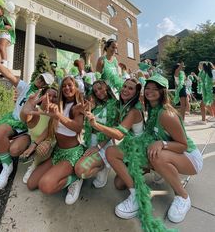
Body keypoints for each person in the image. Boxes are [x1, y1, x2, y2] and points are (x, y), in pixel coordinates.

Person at [131, 74, 202, 229]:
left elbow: (183, 145)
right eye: (147, 88)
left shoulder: (166, 114)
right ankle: (162, 171)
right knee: (142, 157)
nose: (149, 91)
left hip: (190, 157)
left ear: (162, 92)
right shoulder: (152, 110)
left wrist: (162, 143)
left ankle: (183, 196)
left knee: (158, 156)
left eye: (155, 89)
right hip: (176, 154)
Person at [0, 44, 54, 189]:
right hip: (13, 123)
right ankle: (7, 167)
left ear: (45, 87)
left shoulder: (43, 99)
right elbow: (6, 73)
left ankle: (9, 154)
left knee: (13, 150)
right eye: (40, 78)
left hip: (26, 131)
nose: (40, 81)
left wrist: (34, 107)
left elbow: (36, 121)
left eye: (44, 82)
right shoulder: (25, 87)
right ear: (37, 76)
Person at [85, 79, 144, 217]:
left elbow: (117, 134)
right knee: (118, 184)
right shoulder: (124, 105)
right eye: (124, 86)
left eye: (130, 88)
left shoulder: (133, 109)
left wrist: (96, 126)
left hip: (139, 149)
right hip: (129, 147)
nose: (125, 90)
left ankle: (137, 196)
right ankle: (146, 171)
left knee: (111, 152)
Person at [26, 76, 85, 205]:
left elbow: (77, 127)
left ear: (75, 87)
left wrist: (58, 115)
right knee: (31, 184)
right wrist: (34, 145)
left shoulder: (78, 106)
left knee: (45, 186)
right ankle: (59, 173)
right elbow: (49, 128)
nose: (66, 88)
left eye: (70, 85)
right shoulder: (59, 105)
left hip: (72, 154)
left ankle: (75, 178)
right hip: (58, 151)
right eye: (64, 86)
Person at [75, 80, 118, 188]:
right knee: (73, 161)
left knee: (81, 170)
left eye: (100, 88)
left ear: (106, 88)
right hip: (90, 140)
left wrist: (98, 147)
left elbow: (112, 131)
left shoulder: (115, 105)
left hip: (104, 144)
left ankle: (103, 167)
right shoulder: (95, 104)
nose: (98, 92)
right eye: (95, 91)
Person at [20, 86, 59, 184]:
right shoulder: (35, 112)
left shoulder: (57, 113)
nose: (51, 98)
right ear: (42, 97)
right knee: (42, 147)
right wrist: (28, 105)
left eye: (55, 96)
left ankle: (41, 164)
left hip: (54, 146)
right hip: (40, 147)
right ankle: (34, 165)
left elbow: (49, 131)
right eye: (48, 95)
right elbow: (25, 116)